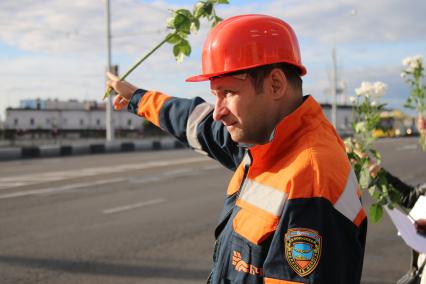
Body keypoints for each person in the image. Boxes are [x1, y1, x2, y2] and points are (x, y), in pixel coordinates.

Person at [107, 14, 367, 284]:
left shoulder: (311, 177)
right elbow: (197, 122)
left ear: (275, 84)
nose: (218, 112)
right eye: (214, 95)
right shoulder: (265, 140)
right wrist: (138, 98)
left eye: (228, 93)